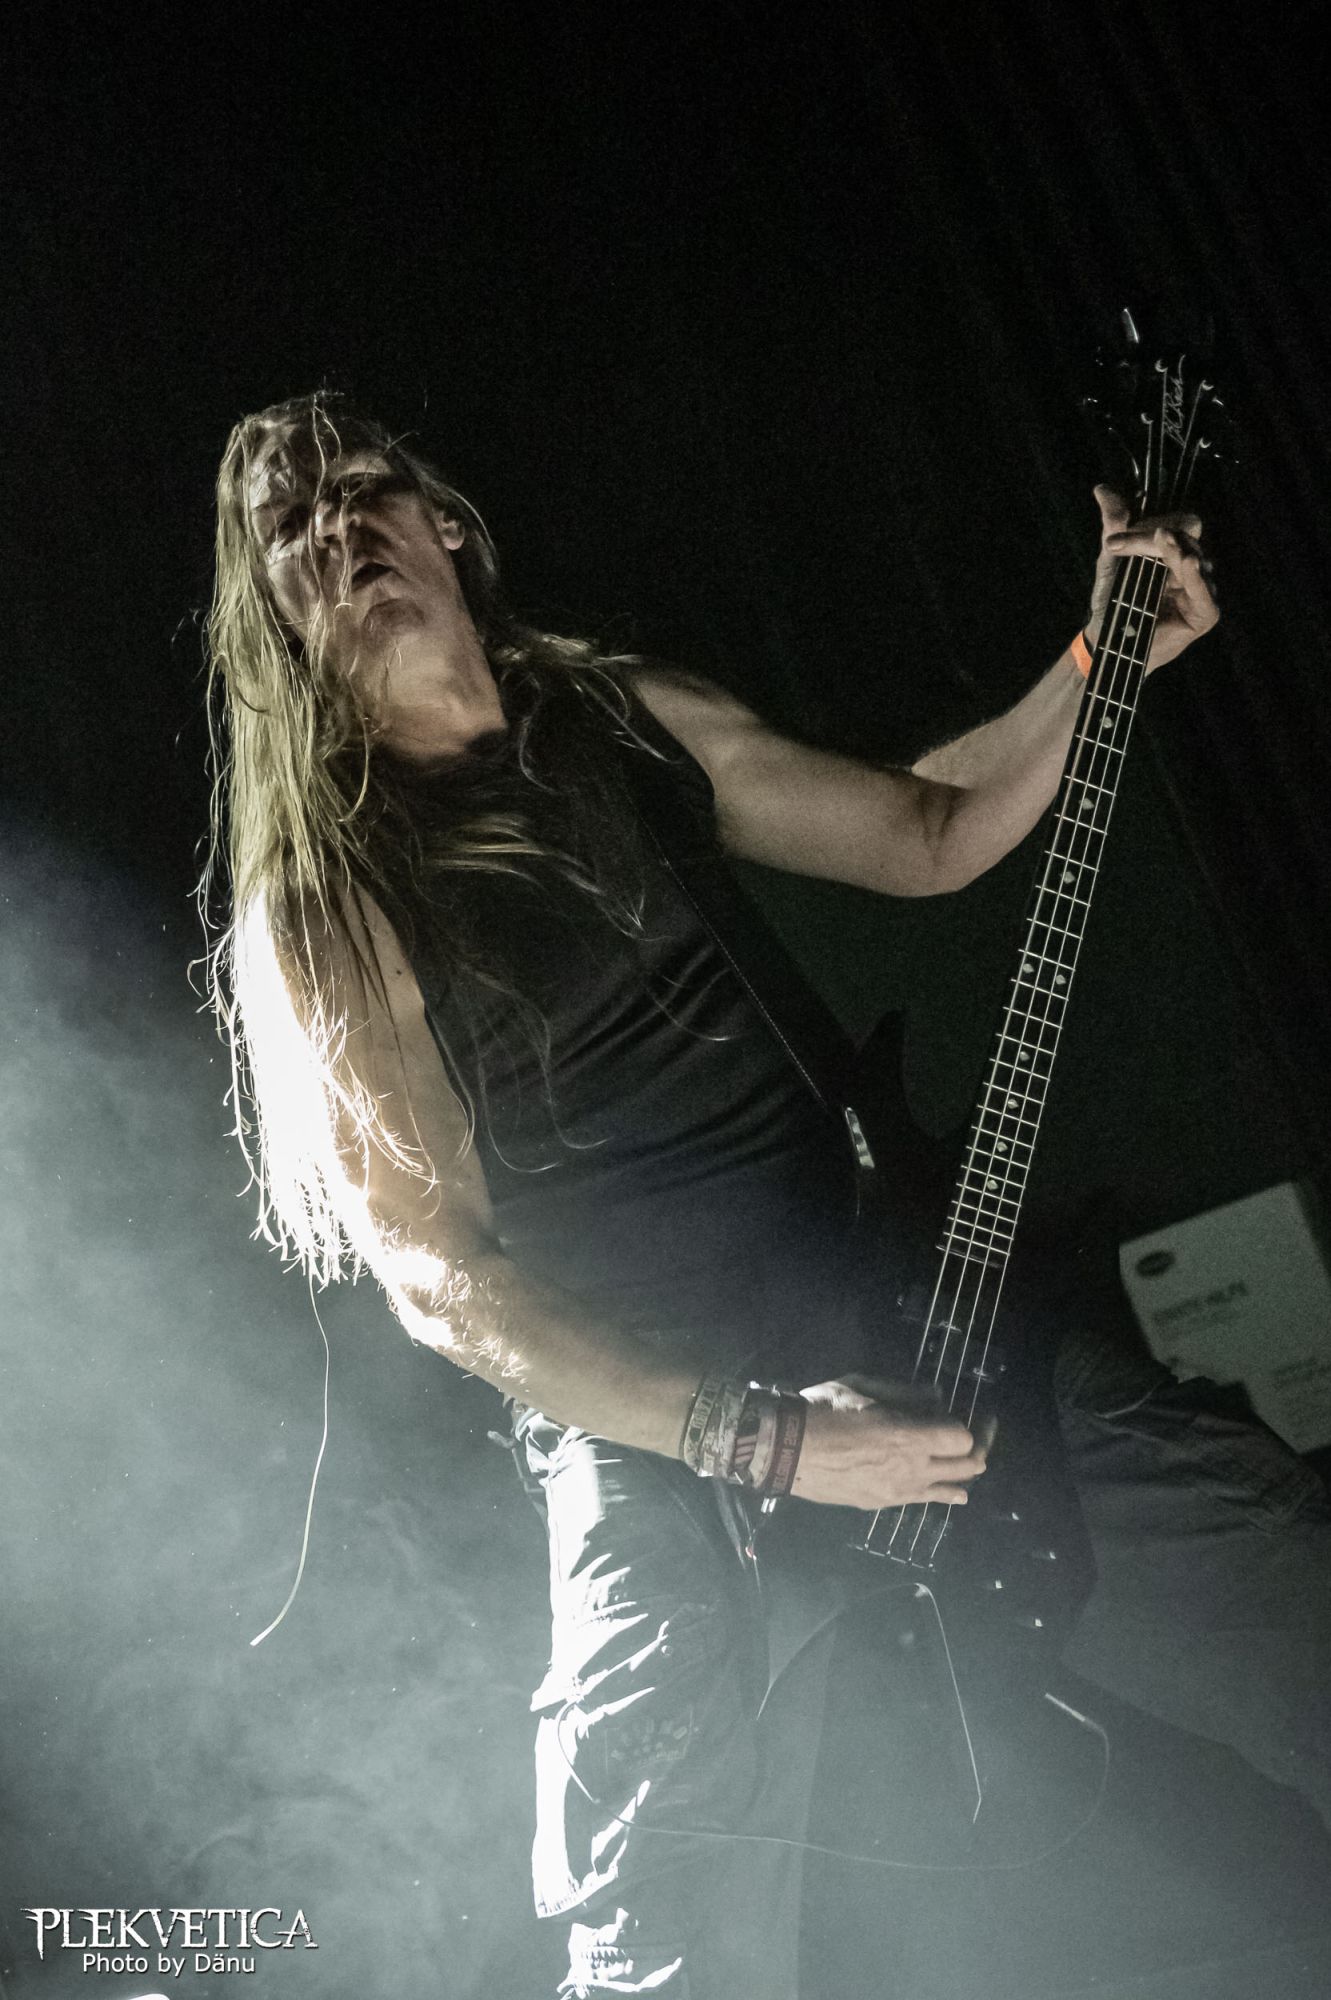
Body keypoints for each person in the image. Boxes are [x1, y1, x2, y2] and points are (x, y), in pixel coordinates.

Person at [203, 393, 1328, 1997]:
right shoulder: (329, 898)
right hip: (658, 1427)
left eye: (360, 487)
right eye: (287, 530)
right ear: (270, 617)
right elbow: (437, 1273)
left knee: (1286, 1588)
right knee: (662, 1936)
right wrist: (766, 1441)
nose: (337, 531)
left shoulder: (623, 720)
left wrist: (1105, 654)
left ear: (444, 522)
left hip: (899, 1308)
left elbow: (928, 830)